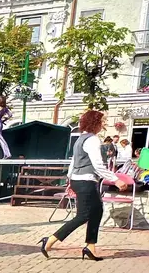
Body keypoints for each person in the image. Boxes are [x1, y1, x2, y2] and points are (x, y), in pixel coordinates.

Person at [40, 109, 128, 261]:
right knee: (83, 215)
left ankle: (90, 246)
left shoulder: (81, 139)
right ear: (95, 123)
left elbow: (74, 161)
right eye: (101, 122)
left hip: (79, 179)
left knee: (97, 210)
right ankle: (50, 240)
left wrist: (70, 179)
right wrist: (115, 179)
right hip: (86, 180)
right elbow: (98, 166)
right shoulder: (93, 140)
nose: (103, 125)